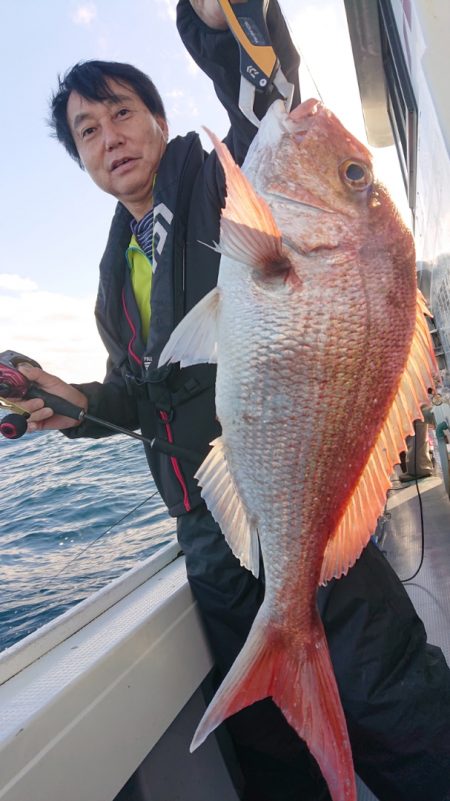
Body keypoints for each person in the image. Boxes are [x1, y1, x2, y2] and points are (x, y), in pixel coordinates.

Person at [16, 2, 450, 800]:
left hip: (300, 497)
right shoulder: (118, 279)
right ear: (80, 160)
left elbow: (262, 92)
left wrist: (220, 21)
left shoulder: (220, 175)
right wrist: (67, 400)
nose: (109, 135)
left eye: (122, 111)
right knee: (271, 750)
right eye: (87, 131)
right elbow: (145, 399)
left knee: (396, 704)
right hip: (208, 543)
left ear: (156, 118)